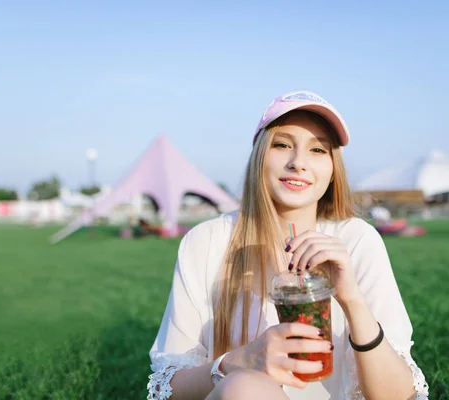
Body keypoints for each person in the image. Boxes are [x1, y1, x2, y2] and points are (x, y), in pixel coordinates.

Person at [147, 91, 429, 399]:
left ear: (334, 168)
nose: (298, 163)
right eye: (282, 145)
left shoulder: (357, 241)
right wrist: (238, 362)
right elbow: (169, 389)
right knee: (245, 387)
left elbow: (397, 395)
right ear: (259, 156)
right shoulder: (206, 242)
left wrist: (351, 299)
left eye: (318, 149)